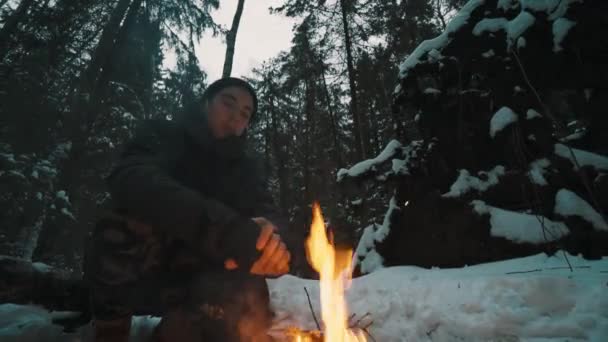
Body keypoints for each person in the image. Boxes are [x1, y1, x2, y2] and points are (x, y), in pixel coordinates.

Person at [84, 77, 292, 342]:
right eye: (228, 104)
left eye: (245, 114)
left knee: (247, 300)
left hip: (202, 279)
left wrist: (272, 239)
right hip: (142, 272)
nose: (234, 119)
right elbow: (131, 179)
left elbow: (270, 213)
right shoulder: (163, 135)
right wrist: (223, 229)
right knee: (122, 223)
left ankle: (182, 328)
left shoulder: (246, 170)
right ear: (206, 103)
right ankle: (111, 328)